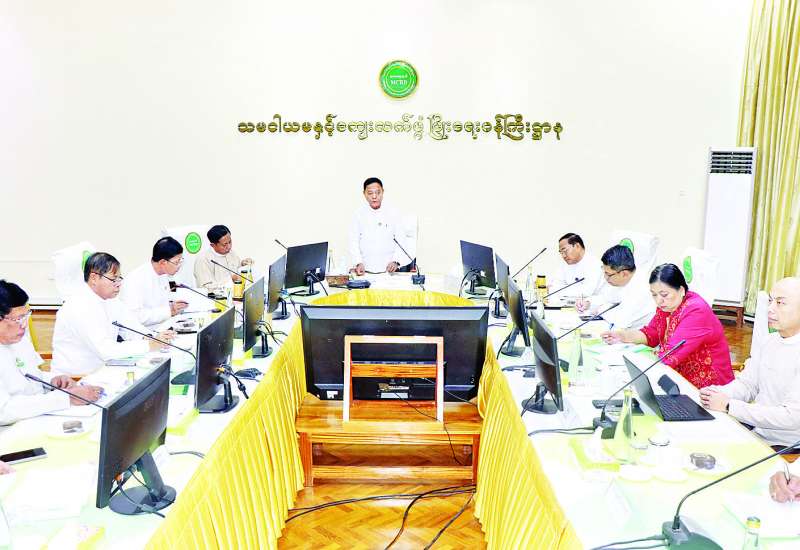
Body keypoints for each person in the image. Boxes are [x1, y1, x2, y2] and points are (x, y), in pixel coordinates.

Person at [699, 277, 800, 449]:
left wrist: (730, 406)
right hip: (756, 431)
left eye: (780, 303)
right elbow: (748, 385)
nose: (770, 309)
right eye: (770, 301)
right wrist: (716, 393)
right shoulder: (769, 341)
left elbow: (792, 417)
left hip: (786, 446)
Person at [601, 264, 734, 388]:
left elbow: (670, 355)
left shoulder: (696, 310)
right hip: (679, 379)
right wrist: (623, 336)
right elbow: (651, 334)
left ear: (681, 290)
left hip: (709, 387)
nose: (659, 300)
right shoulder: (668, 306)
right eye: (654, 295)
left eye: (664, 294)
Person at [51, 253, 174, 378]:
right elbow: (106, 350)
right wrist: (148, 345)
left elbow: (131, 327)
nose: (119, 284)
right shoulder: (79, 306)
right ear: (94, 278)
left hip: (105, 369)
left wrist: (152, 337)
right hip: (76, 379)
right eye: (113, 279)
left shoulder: (110, 300)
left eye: (119, 278)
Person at [0, 280, 102, 425]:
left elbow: (30, 376)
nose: (24, 325)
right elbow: (4, 411)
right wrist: (66, 398)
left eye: (26, 316)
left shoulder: (20, 339)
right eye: (18, 319)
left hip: (37, 418)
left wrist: (52, 381)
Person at [577, 245, 654, 329]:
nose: (605, 278)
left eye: (608, 274)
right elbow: (607, 297)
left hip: (637, 333)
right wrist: (588, 303)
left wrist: (601, 309)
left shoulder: (642, 287)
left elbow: (621, 321)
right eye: (604, 272)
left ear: (624, 274)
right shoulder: (623, 278)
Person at [120, 237, 188, 328]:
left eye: (181, 260)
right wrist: (169, 311)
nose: (179, 266)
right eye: (177, 262)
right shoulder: (135, 279)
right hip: (146, 333)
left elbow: (171, 296)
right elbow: (136, 316)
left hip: (166, 328)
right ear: (163, 262)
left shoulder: (167, 274)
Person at [349, 177, 408, 276]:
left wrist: (396, 261)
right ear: (364, 194)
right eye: (370, 193)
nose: (374, 196)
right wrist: (358, 262)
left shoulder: (393, 213)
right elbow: (353, 241)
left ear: (383, 192)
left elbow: (401, 240)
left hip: (389, 271)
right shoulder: (358, 214)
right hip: (365, 270)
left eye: (378, 192)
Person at [194, 225, 254, 290]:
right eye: (224, 244)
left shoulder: (230, 252)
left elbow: (236, 267)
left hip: (236, 292)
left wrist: (243, 263)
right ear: (213, 245)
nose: (229, 246)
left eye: (230, 242)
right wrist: (230, 281)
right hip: (218, 296)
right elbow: (205, 288)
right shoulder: (203, 260)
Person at [553, 233, 604, 298]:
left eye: (565, 251)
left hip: (593, 302)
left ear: (577, 246)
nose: (563, 256)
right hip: (569, 302)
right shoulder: (564, 264)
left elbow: (586, 291)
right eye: (561, 252)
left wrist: (561, 291)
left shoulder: (593, 263)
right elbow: (555, 285)